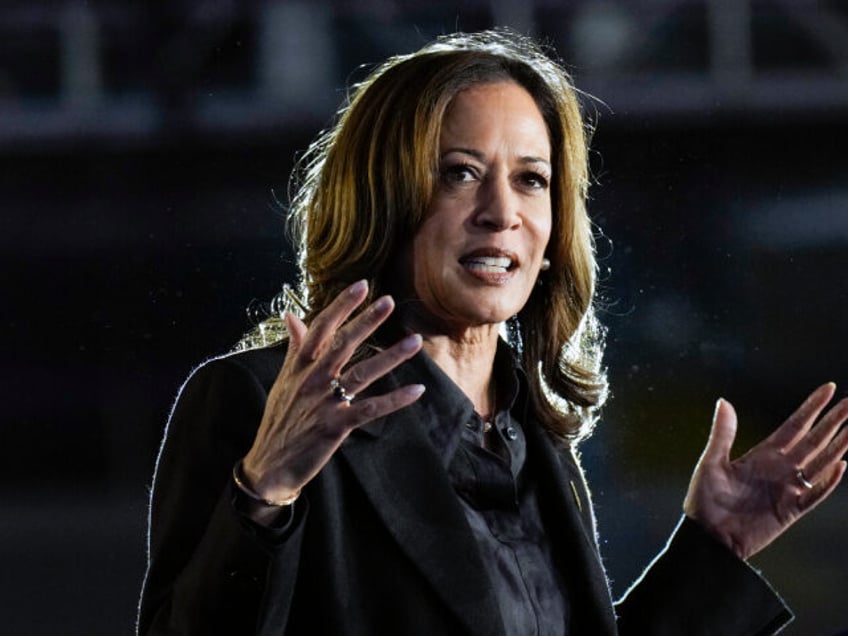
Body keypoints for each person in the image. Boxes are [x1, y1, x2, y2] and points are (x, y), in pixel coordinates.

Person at [137, 30, 848, 635]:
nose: (501, 211)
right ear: (384, 197)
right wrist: (265, 491)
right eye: (459, 173)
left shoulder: (535, 439)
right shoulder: (254, 401)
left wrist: (713, 548)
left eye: (532, 179)